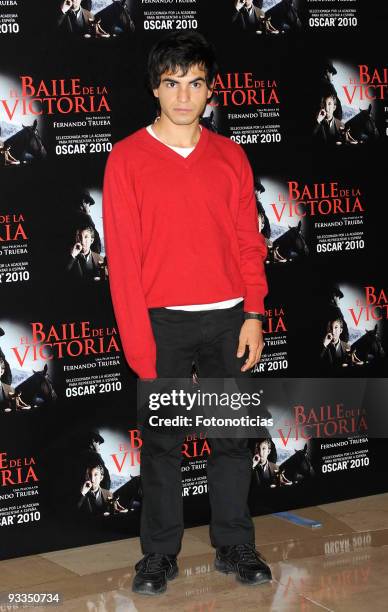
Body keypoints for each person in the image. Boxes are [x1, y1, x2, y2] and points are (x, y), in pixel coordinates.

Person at [103, 31, 271, 595]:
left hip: (229, 318)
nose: (183, 95)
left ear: (209, 90)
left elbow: (250, 241)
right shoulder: (126, 158)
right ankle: (158, 555)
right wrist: (139, 346)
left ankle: (235, 543)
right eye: (172, 83)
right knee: (162, 444)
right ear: (155, 87)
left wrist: (254, 312)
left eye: (195, 83)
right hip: (162, 322)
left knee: (231, 439)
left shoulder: (231, 155)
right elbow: (123, 263)